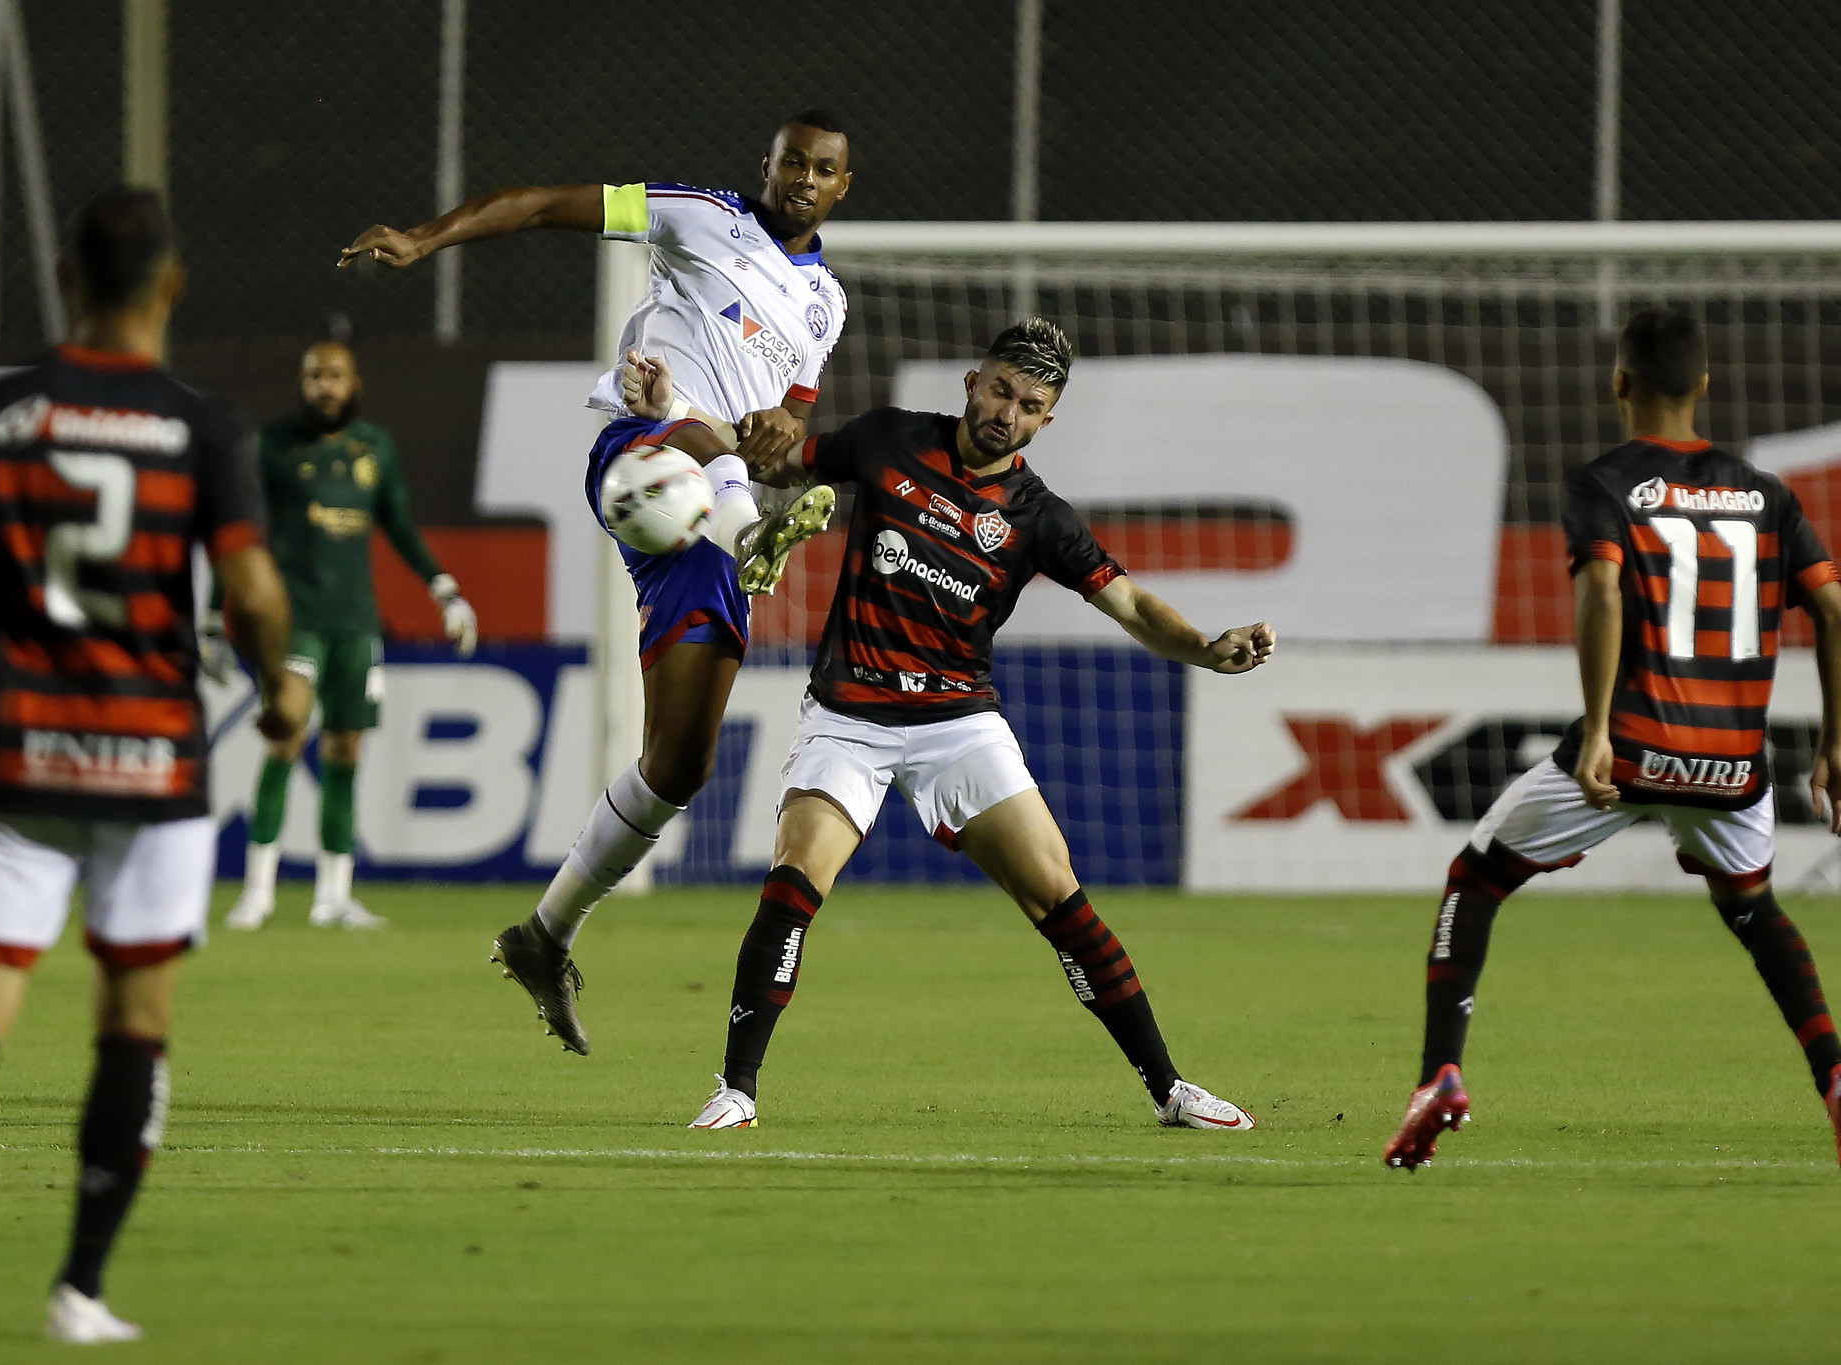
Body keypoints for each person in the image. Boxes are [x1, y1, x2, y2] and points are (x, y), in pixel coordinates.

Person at [620, 320, 1276, 1132]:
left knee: (1061, 900)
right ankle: (737, 1091)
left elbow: (1132, 603)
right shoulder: (890, 439)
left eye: (1029, 403)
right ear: (971, 383)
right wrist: (671, 411)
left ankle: (1170, 1089)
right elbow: (765, 454)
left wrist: (1209, 651)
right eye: (1000, 389)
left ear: (1046, 421)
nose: (1007, 411)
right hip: (848, 712)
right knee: (793, 884)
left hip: (957, 719)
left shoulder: (1040, 516)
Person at [0, 187, 309, 1344]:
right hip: (152, 761)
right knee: (133, 1019)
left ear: (68, 280)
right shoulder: (199, 428)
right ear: (171, 285)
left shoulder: (2, 411)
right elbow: (254, 590)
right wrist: (282, 691)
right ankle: (78, 1290)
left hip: (20, 746)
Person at [339, 110, 852, 1052]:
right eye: (790, 163)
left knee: (680, 762)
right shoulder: (697, 216)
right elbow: (536, 207)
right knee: (683, 445)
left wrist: (782, 439)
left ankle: (546, 933)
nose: (803, 180)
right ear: (765, 164)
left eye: (822, 169)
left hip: (715, 485)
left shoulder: (827, 305)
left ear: (841, 186)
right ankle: (754, 538)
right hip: (644, 456)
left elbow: (780, 428)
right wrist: (425, 236)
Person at [1383, 309, 1841, 1177]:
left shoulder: (1606, 483)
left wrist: (1600, 732)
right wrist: (1836, 743)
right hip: (1731, 764)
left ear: (1620, 384)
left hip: (1629, 748)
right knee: (1754, 910)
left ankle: (1441, 1078)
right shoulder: (1765, 494)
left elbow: (1604, 595)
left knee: (1477, 877)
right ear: (1703, 385)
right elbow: (1838, 616)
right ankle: (1838, 1074)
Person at [211, 341, 479, 931]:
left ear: (355, 383)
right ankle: (257, 891)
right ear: (300, 383)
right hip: (294, 622)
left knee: (344, 752)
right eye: (313, 376)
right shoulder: (273, 447)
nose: (323, 386)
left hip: (357, 623)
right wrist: (212, 615)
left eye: (334, 376)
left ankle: (333, 896)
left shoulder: (374, 448)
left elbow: (400, 525)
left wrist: (444, 588)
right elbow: (239, 533)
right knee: (284, 739)